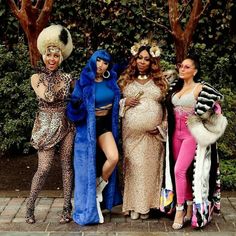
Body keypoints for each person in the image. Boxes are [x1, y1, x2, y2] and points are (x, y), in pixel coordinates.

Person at [165, 55, 227, 229]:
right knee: (182, 172)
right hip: (174, 135)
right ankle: (190, 207)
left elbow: (215, 106)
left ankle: (180, 209)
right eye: (181, 66)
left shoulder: (201, 88)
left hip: (190, 135)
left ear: (195, 71)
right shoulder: (175, 87)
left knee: (179, 170)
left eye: (186, 67)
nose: (182, 69)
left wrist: (198, 118)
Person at [66, 49, 122, 225]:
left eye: (105, 62)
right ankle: (88, 207)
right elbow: (72, 114)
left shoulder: (111, 80)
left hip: (105, 126)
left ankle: (99, 186)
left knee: (113, 157)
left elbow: (117, 101)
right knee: (86, 168)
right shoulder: (83, 81)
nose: (101, 65)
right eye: (99, 60)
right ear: (93, 60)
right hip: (87, 130)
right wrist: (76, 106)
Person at [25, 24, 75, 224]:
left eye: (55, 56)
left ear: (60, 57)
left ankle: (66, 208)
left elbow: (75, 96)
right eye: (48, 55)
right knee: (44, 168)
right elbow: (48, 96)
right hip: (45, 126)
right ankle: (29, 206)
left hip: (66, 125)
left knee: (66, 166)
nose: (51, 59)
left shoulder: (68, 77)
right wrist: (63, 84)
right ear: (43, 56)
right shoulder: (36, 77)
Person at [118, 39, 168, 220]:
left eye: (146, 59)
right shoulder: (125, 79)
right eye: (139, 58)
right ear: (135, 59)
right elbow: (113, 103)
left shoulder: (160, 80)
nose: (142, 62)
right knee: (134, 166)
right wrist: (124, 102)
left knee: (149, 168)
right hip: (132, 134)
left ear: (152, 62)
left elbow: (168, 108)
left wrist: (163, 126)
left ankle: (146, 206)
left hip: (153, 135)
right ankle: (132, 205)